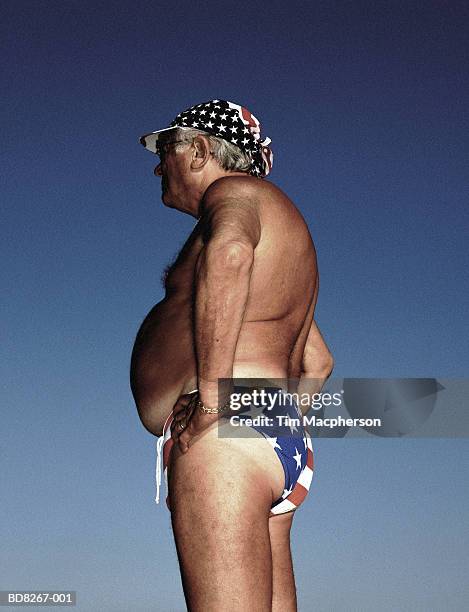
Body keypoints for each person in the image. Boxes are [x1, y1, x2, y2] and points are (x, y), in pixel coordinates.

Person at [130, 100, 333, 611]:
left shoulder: (234, 194)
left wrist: (218, 405)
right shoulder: (279, 225)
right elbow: (319, 362)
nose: (158, 166)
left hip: (225, 436)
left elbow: (231, 255)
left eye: (167, 150)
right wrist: (274, 424)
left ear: (199, 150)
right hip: (267, 436)